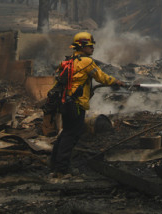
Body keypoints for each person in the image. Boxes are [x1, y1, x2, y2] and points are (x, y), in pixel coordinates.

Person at [49, 31, 125, 177]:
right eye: (90, 46)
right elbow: (101, 76)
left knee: (66, 133)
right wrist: (115, 81)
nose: (92, 48)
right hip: (76, 104)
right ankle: (61, 170)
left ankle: (54, 165)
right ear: (82, 46)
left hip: (65, 103)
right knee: (72, 134)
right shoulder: (87, 62)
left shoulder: (69, 61)